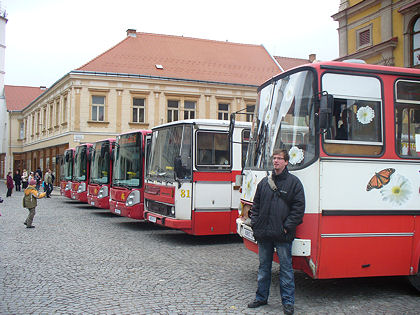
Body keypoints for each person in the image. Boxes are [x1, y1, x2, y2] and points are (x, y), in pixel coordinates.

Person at [248, 149, 305, 315]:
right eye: (274, 158)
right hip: (265, 234)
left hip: (282, 235)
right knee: (263, 268)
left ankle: (288, 304)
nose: (276, 161)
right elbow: (256, 205)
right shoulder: (264, 183)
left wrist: (287, 226)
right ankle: (261, 298)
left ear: (286, 162)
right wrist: (256, 224)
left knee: (286, 271)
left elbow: (298, 208)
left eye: (280, 159)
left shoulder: (294, 183)